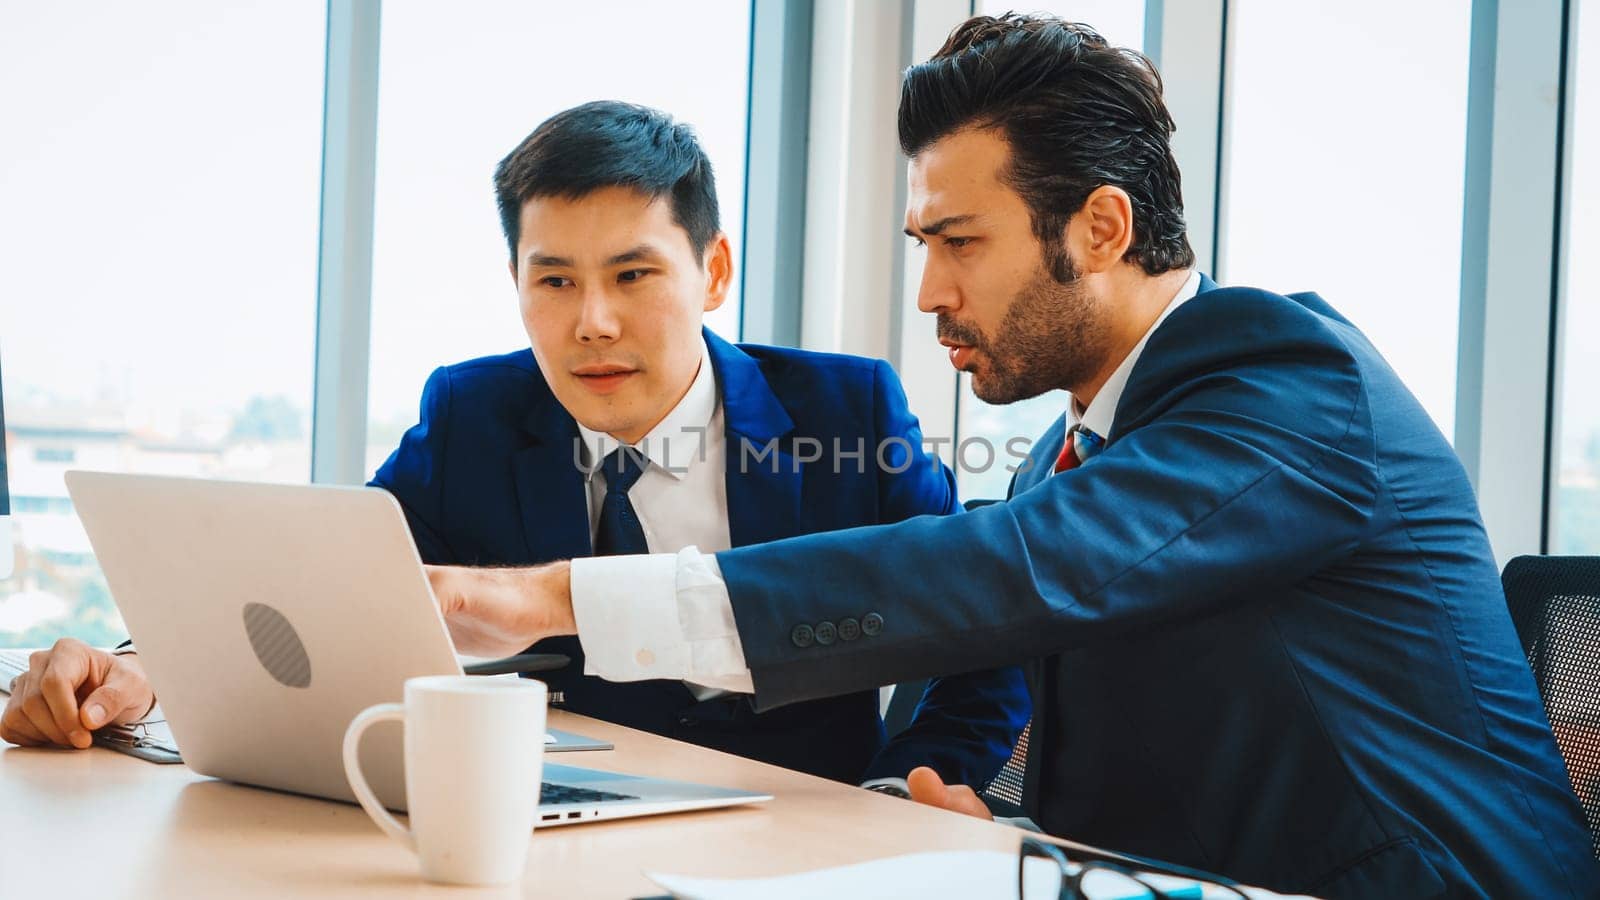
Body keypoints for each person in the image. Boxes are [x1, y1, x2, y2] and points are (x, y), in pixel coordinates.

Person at [419, 17, 1600, 898]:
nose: (929, 291)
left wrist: (553, 597)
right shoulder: (1067, 457)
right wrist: (957, 802)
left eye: (960, 241)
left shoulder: (1290, 379)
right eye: (920, 242)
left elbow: (1016, 568)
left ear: (1098, 227)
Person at [0, 101, 1028, 792]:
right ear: (516, 283)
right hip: (548, 830)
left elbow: (975, 632)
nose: (591, 322)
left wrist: (918, 782)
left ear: (712, 271)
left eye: (633, 275)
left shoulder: (845, 412)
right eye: (554, 279)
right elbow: (329, 593)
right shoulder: (474, 416)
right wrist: (137, 668)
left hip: (794, 832)